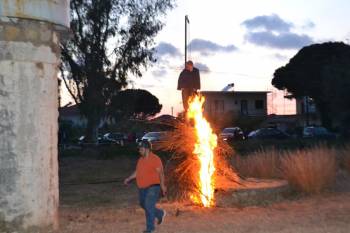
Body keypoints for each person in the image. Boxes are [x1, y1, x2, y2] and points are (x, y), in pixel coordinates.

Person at [124, 140, 167, 233]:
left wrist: (163, 186)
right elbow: (137, 172)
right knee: (143, 204)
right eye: (139, 149)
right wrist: (129, 178)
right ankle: (160, 214)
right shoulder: (140, 160)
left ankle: (150, 229)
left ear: (147, 149)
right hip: (142, 188)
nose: (139, 151)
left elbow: (161, 173)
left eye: (141, 149)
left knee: (148, 204)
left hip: (154, 186)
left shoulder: (155, 159)